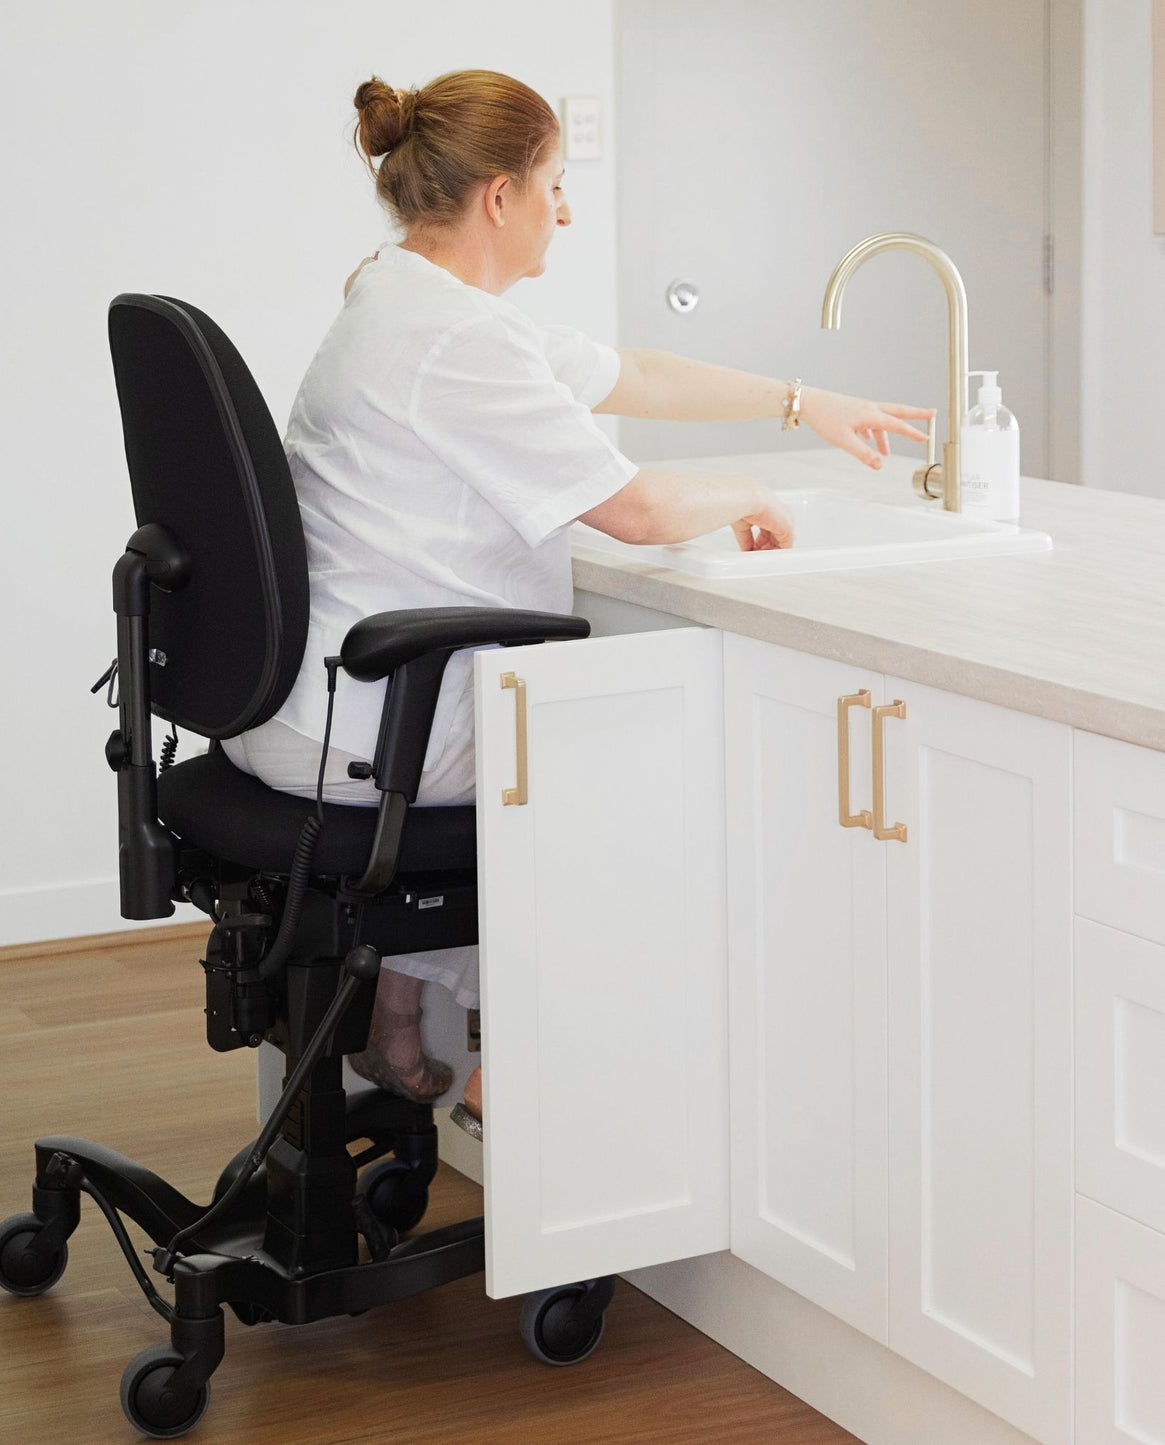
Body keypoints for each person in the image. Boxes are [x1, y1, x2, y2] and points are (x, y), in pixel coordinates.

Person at [220, 69, 932, 1134]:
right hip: (365, 728)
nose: (565, 208)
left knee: (540, 724)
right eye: (554, 183)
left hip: (296, 707)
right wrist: (757, 489)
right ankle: (518, 1068)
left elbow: (630, 373)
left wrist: (802, 402)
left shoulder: (396, 290)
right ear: (498, 196)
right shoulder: (461, 341)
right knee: (617, 754)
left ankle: (401, 1000)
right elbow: (638, 510)